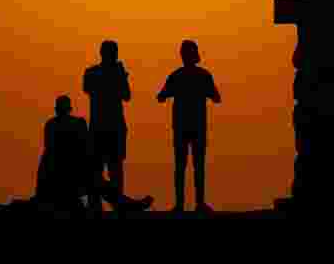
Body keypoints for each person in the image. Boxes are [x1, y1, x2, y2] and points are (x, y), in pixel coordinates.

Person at [35, 95, 153, 213]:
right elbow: (82, 148)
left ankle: (126, 205)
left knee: (98, 183)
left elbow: (78, 149)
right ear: (69, 109)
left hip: (63, 178)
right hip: (66, 180)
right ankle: (128, 205)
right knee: (98, 183)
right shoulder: (73, 124)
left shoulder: (53, 125)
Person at [157, 40, 221, 213]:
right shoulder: (203, 75)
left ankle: (180, 204)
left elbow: (161, 96)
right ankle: (199, 203)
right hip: (197, 125)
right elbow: (216, 97)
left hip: (181, 126)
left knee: (181, 166)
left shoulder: (176, 75)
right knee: (198, 165)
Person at [83, 40, 132, 213]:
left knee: (113, 169)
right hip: (103, 127)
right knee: (100, 169)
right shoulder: (93, 73)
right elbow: (124, 95)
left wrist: (121, 75)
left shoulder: (94, 73)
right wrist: (119, 75)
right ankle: (99, 205)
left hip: (111, 127)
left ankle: (114, 205)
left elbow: (126, 96)